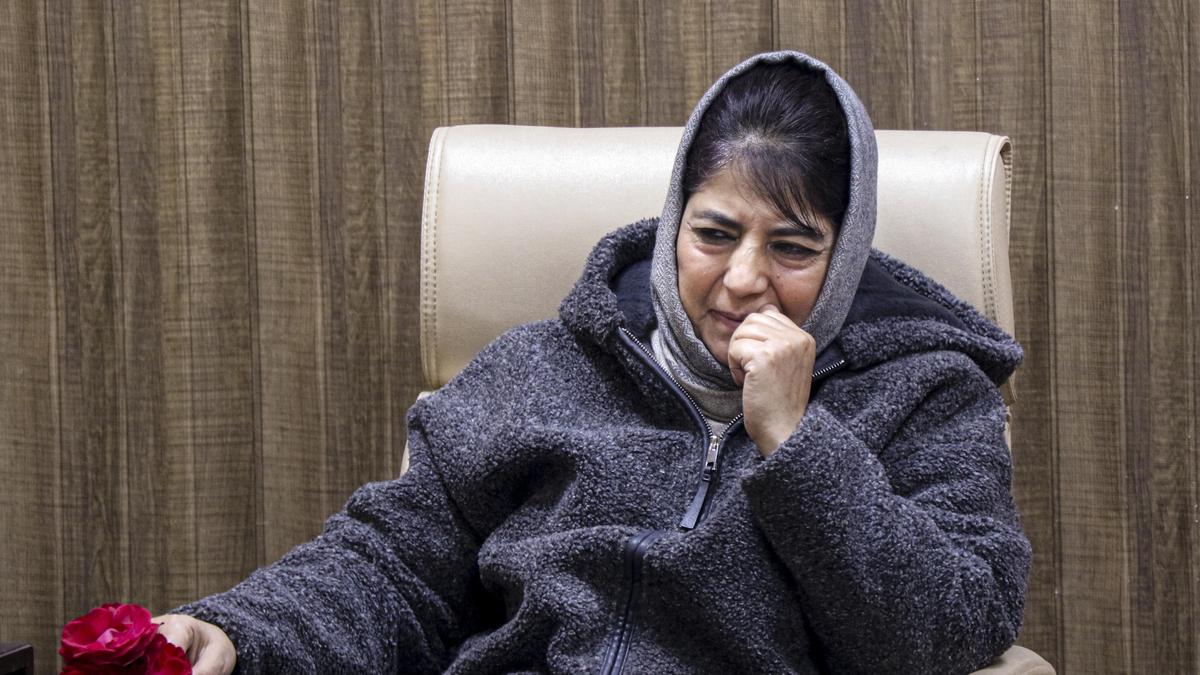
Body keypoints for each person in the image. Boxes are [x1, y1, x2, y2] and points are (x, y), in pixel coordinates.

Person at [154, 50, 1031, 674]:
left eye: (793, 247)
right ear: (672, 225)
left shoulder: (927, 395)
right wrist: (237, 630)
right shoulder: (537, 368)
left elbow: (947, 631)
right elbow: (390, 564)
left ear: (846, 257)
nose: (743, 279)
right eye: (714, 233)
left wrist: (798, 444)